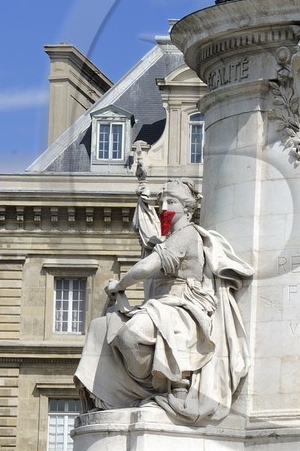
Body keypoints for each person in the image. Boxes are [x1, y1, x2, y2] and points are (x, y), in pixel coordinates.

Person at [76, 180, 253, 423]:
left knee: (132, 334)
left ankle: (158, 388)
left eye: (171, 202)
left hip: (183, 307)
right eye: (162, 203)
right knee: (100, 327)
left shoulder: (187, 234)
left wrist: (119, 285)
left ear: (188, 209)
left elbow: (148, 266)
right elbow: (150, 244)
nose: (164, 208)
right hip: (160, 306)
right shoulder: (167, 238)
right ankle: (121, 395)